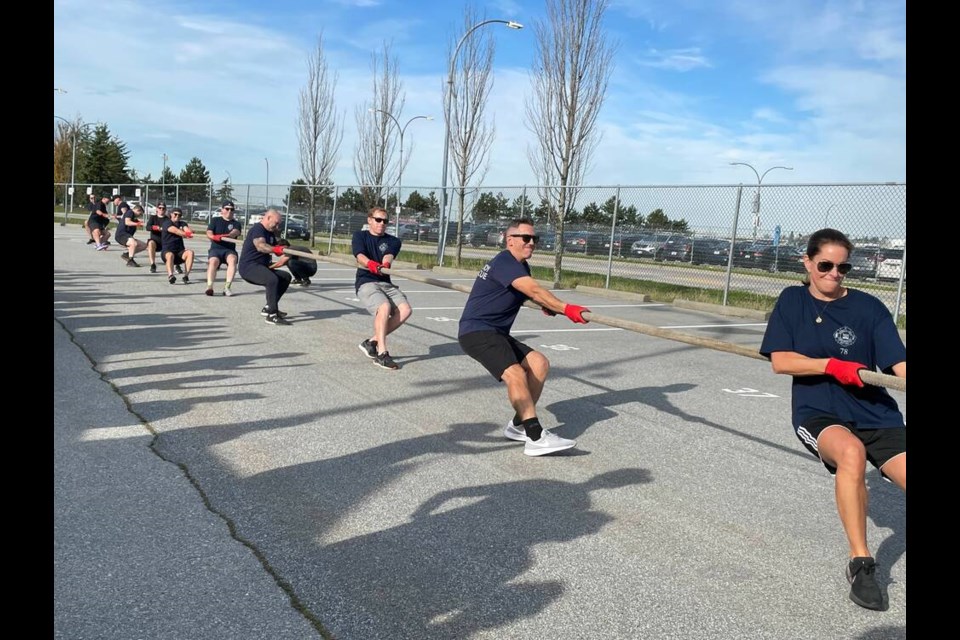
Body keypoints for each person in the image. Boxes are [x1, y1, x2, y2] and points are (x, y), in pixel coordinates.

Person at [759, 228, 906, 612]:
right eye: (825, 265)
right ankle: (861, 564)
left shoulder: (869, 307)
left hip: (876, 412)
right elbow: (781, 361)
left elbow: (899, 364)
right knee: (852, 454)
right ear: (808, 262)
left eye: (843, 267)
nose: (834, 273)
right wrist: (829, 365)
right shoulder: (793, 300)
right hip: (819, 411)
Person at [457, 217, 590, 456]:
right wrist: (566, 308)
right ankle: (536, 437)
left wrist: (545, 305)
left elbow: (526, 293)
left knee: (539, 363)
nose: (531, 243)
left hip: (496, 332)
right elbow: (534, 289)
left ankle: (518, 426)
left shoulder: (519, 266)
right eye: (526, 238)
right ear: (510, 241)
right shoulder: (505, 262)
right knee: (515, 372)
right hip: (477, 331)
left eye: (534, 239)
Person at [352, 207, 413, 370]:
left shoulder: (394, 241)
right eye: (378, 220)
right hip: (366, 281)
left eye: (385, 221)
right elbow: (359, 255)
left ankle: (371, 342)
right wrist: (370, 264)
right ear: (370, 220)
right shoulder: (360, 236)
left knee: (406, 310)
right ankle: (382, 354)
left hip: (385, 282)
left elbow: (388, 254)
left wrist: (385, 264)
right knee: (384, 306)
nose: (382, 224)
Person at [238, 208, 292, 325]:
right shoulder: (258, 229)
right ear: (268, 218)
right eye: (276, 223)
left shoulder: (270, 232)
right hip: (249, 267)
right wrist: (276, 249)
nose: (277, 226)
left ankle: (269, 307)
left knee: (285, 277)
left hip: (261, 266)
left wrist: (284, 249)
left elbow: (276, 246)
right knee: (271, 279)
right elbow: (261, 246)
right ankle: (272, 315)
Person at [204, 201, 243, 296]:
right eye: (227, 209)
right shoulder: (215, 220)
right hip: (216, 249)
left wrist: (226, 235)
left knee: (233, 260)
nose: (229, 211)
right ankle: (209, 287)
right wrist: (213, 237)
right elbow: (209, 232)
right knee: (213, 262)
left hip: (229, 250)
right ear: (222, 210)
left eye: (232, 209)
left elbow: (235, 232)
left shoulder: (236, 223)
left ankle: (227, 287)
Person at [160, 207, 196, 284]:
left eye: (179, 215)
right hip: (167, 251)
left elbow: (187, 229)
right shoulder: (167, 223)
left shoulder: (182, 223)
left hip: (179, 252)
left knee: (190, 252)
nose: (177, 216)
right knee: (170, 255)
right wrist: (185, 234)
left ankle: (186, 276)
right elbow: (175, 230)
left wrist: (189, 232)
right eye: (175, 214)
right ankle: (171, 276)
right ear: (171, 214)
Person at [144, 202, 169, 273]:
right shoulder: (153, 218)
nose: (161, 209)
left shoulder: (167, 219)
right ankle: (153, 264)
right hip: (155, 241)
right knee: (150, 243)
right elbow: (148, 227)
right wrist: (156, 228)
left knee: (175, 244)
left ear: (165, 210)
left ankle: (177, 264)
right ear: (157, 209)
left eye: (163, 208)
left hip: (165, 241)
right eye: (160, 208)